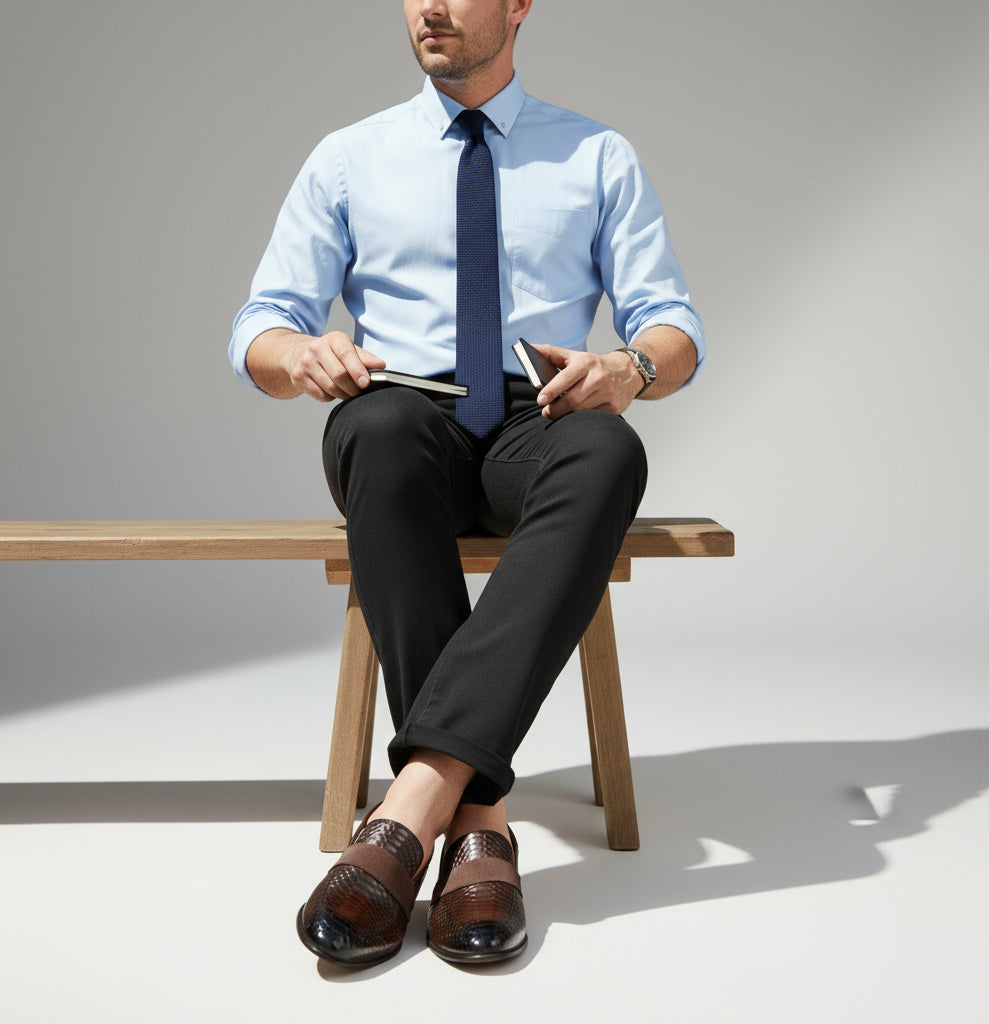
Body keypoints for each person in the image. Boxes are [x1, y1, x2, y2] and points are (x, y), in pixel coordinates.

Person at [230, 0, 704, 969]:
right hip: (404, 414)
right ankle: (478, 819)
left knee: (608, 450)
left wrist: (629, 371)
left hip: (540, 418)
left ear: (520, 4)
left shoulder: (596, 155)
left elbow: (672, 326)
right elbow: (260, 327)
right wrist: (300, 356)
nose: (430, 7)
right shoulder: (348, 157)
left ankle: (414, 804)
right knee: (377, 429)